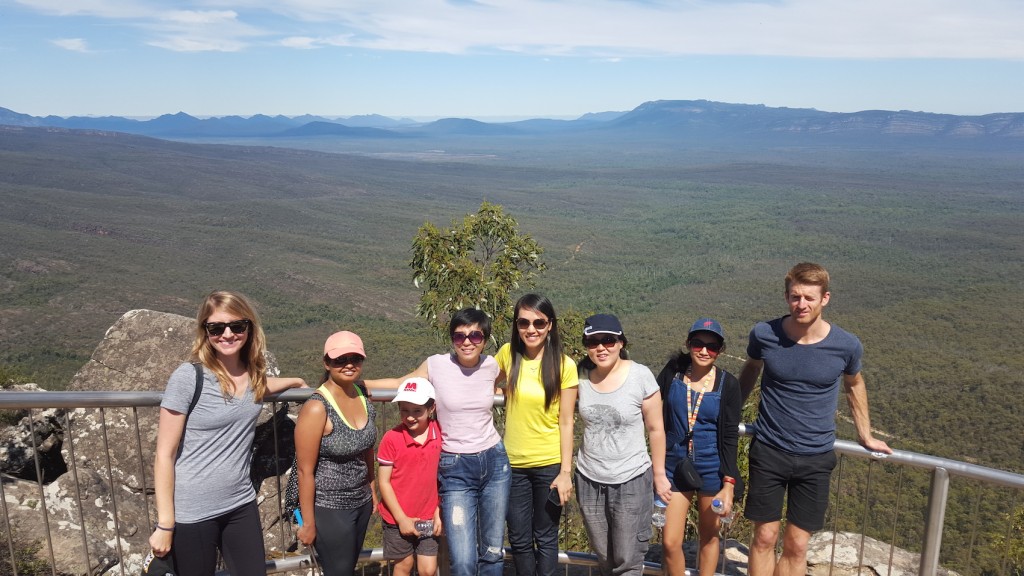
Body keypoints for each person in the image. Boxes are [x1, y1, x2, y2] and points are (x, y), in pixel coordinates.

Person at [739, 262, 893, 576]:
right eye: (795, 297)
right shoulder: (765, 334)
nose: (801, 305)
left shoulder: (846, 345)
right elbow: (751, 369)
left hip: (815, 457)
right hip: (769, 450)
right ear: (786, 297)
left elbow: (855, 383)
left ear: (825, 299)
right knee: (764, 537)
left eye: (809, 298)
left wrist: (865, 434)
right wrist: (730, 413)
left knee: (797, 545)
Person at [150, 290, 307, 575]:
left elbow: (260, 387)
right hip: (194, 511)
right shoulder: (188, 377)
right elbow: (164, 455)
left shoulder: (253, 373)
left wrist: (295, 382)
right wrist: (165, 524)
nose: (227, 334)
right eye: (216, 327)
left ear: (249, 328)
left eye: (237, 326)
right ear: (204, 331)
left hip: (240, 503)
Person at [366, 308, 509, 576]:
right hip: (455, 467)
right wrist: (356, 386)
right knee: (463, 558)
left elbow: (506, 386)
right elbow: (400, 383)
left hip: (494, 461)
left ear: (485, 339)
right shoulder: (436, 365)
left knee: (492, 551)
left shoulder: (491, 366)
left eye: (476, 335)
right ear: (452, 339)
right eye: (460, 336)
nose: (467, 341)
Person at [574, 313, 672, 576]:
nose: (601, 347)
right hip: (589, 478)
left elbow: (656, 428)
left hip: (631, 478)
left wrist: (660, 475)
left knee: (628, 558)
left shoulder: (640, 376)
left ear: (621, 343)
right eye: (593, 342)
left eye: (608, 340)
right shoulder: (580, 376)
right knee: (604, 555)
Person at [496, 294, 578, 576]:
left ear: (550, 325)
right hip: (513, 465)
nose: (531, 329)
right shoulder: (508, 354)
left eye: (539, 322)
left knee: (545, 537)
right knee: (518, 539)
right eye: (523, 322)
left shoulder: (565, 365)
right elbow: (479, 379)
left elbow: (567, 421)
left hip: (548, 465)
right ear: (516, 325)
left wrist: (565, 472)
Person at [655, 318, 744, 576]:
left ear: (720, 350)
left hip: (711, 466)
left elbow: (729, 436)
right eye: (698, 344)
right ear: (688, 344)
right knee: (670, 542)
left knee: (709, 537)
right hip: (674, 464)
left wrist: (728, 482)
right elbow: (650, 403)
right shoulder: (673, 372)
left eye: (712, 346)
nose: (704, 351)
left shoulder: (728, 384)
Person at [294, 331, 378, 576]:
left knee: (347, 569)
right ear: (326, 363)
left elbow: (367, 450)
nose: (349, 364)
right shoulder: (317, 408)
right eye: (340, 359)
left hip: (360, 502)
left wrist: (371, 487)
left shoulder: (362, 395)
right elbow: (304, 470)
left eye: (355, 358)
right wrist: (308, 523)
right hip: (330, 507)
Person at [377, 377, 443, 576]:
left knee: (428, 569)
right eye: (404, 410)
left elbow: (448, 476)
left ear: (431, 408)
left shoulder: (441, 434)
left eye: (417, 411)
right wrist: (401, 519)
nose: (410, 417)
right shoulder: (392, 438)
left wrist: (439, 510)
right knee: (403, 565)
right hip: (396, 517)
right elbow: (384, 482)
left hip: (430, 515)